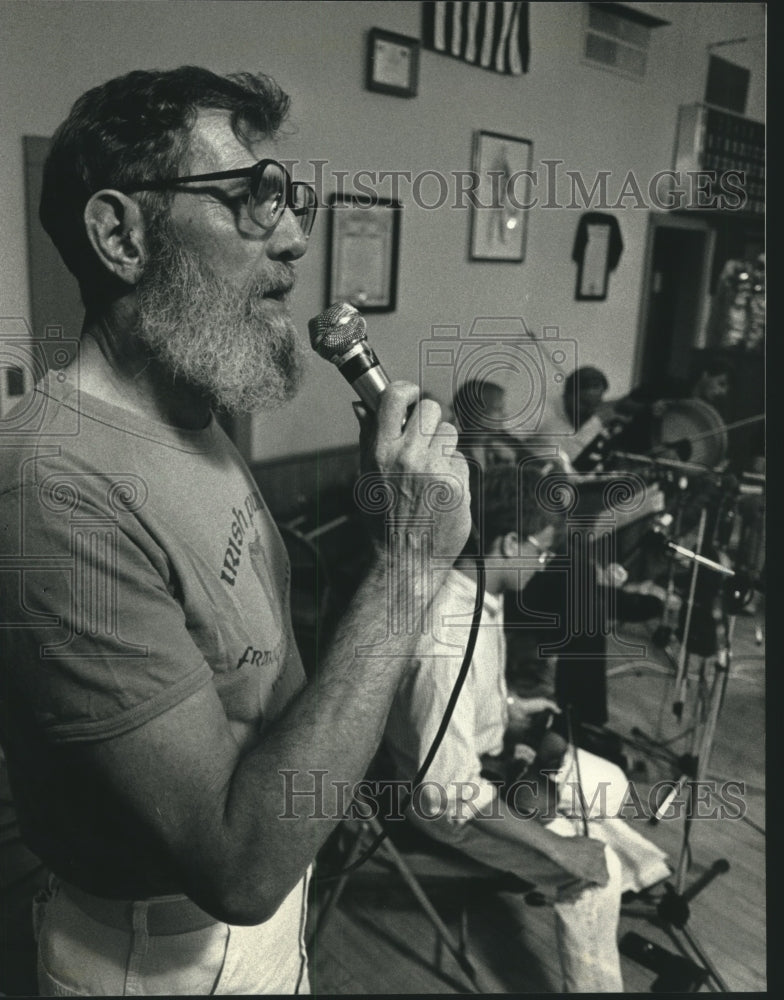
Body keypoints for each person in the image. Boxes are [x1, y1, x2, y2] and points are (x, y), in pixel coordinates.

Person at [0, 67, 471, 996]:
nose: (295, 237)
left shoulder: (192, 410)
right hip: (160, 956)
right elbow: (239, 864)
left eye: (287, 198)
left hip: (263, 927)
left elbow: (260, 673)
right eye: (251, 200)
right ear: (122, 234)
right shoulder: (53, 486)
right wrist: (409, 568)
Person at [383, 461, 671, 992]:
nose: (544, 562)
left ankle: (634, 872)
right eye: (540, 549)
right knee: (592, 873)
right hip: (442, 803)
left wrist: (512, 708)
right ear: (509, 542)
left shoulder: (478, 595)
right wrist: (560, 852)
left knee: (608, 785)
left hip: (485, 763)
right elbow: (448, 791)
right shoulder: (446, 640)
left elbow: (465, 699)